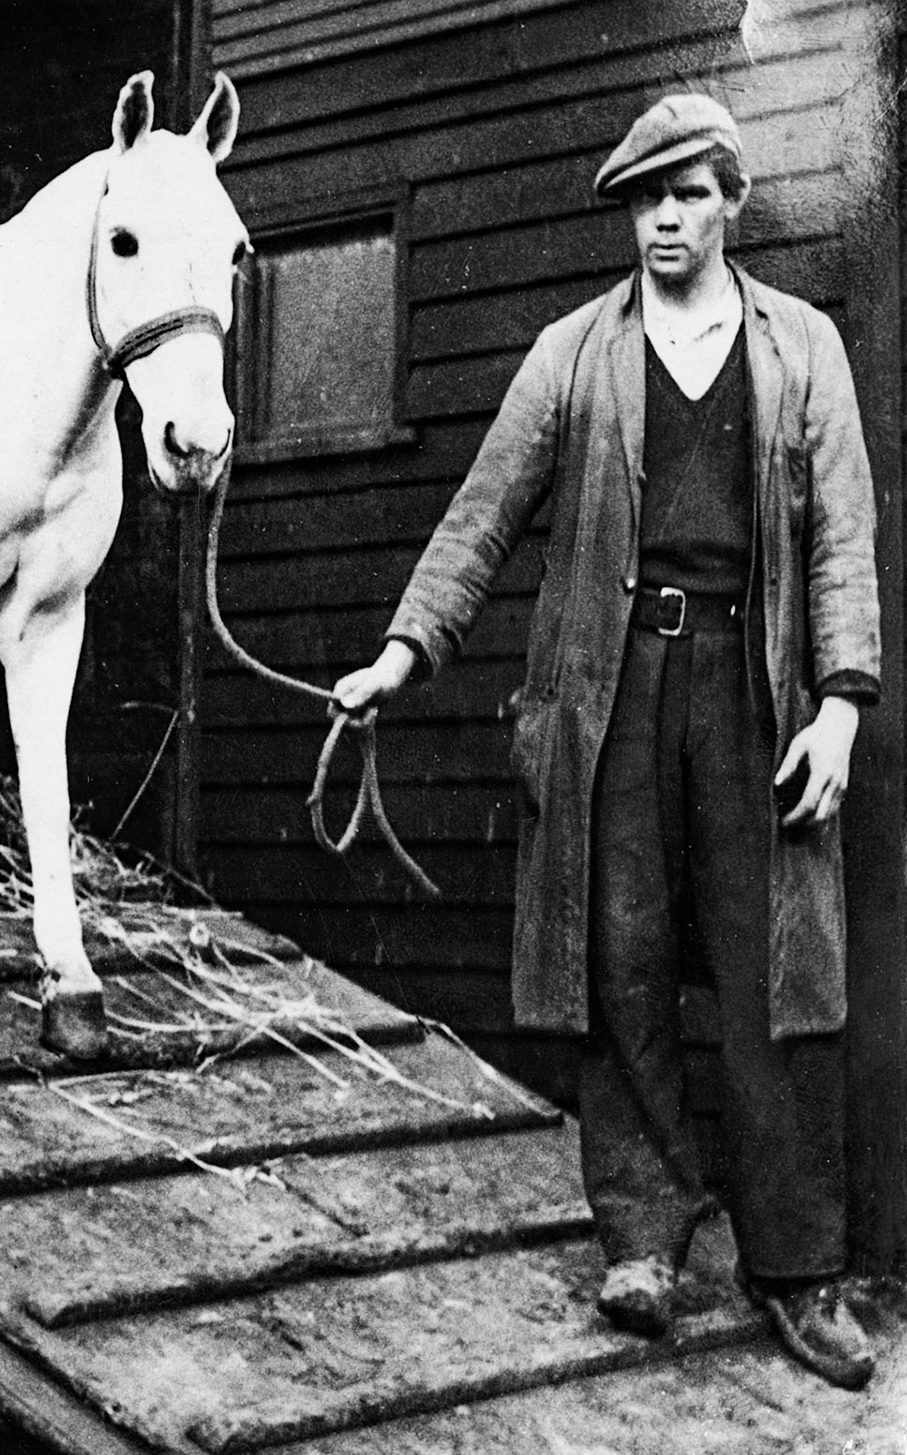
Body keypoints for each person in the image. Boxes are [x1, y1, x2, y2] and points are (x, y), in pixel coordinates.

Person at [332, 95, 880, 1388]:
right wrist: (402, 652)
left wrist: (843, 704)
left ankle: (798, 1267)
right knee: (620, 960)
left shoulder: (801, 347)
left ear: (732, 201)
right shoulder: (573, 354)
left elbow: (844, 538)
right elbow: (482, 516)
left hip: (757, 692)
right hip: (613, 693)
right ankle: (641, 1235)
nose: (664, 221)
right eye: (644, 200)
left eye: (687, 194)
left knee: (777, 972)